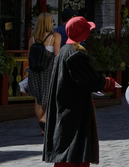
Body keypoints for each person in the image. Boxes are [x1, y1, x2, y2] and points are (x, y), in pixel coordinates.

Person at [42, 16, 119, 167]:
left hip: (65, 107)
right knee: (74, 154)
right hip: (73, 110)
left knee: (68, 153)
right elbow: (88, 80)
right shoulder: (75, 54)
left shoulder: (64, 51)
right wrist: (106, 83)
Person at [27, 12, 62, 136]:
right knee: (52, 96)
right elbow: (57, 54)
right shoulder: (55, 36)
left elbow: (29, 55)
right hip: (49, 70)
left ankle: (43, 128)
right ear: (49, 23)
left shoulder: (32, 38)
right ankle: (45, 119)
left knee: (38, 99)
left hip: (35, 70)